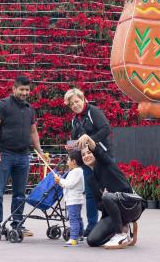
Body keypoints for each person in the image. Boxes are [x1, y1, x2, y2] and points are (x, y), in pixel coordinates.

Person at [0, 75, 46, 238]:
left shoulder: (29, 109)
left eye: (27, 90)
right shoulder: (2, 106)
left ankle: (18, 224)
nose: (24, 92)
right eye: (21, 89)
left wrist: (40, 151)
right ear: (14, 89)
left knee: (20, 194)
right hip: (4, 154)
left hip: (23, 156)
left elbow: (33, 131)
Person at [77, 134, 145, 249]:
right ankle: (123, 228)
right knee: (92, 240)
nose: (86, 156)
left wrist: (88, 138)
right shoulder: (90, 180)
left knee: (107, 196)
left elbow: (98, 151)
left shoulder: (105, 163)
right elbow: (98, 204)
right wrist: (104, 199)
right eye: (83, 155)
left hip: (130, 206)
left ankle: (121, 234)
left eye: (89, 153)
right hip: (112, 212)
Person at [64, 88, 111, 237]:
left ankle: (111, 223)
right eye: (71, 104)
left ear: (83, 98)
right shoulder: (75, 119)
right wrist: (70, 145)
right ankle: (92, 225)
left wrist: (90, 140)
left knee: (107, 192)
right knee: (90, 193)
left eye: (77, 101)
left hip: (101, 156)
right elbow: (75, 139)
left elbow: (106, 129)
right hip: (86, 159)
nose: (75, 105)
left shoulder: (93, 112)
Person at [54, 149, 85, 246]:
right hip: (75, 199)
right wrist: (61, 181)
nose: (67, 162)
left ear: (74, 162)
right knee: (77, 218)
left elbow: (70, 184)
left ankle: (73, 238)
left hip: (73, 200)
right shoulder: (77, 171)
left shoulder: (76, 172)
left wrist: (60, 181)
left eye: (68, 160)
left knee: (73, 219)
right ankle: (80, 234)